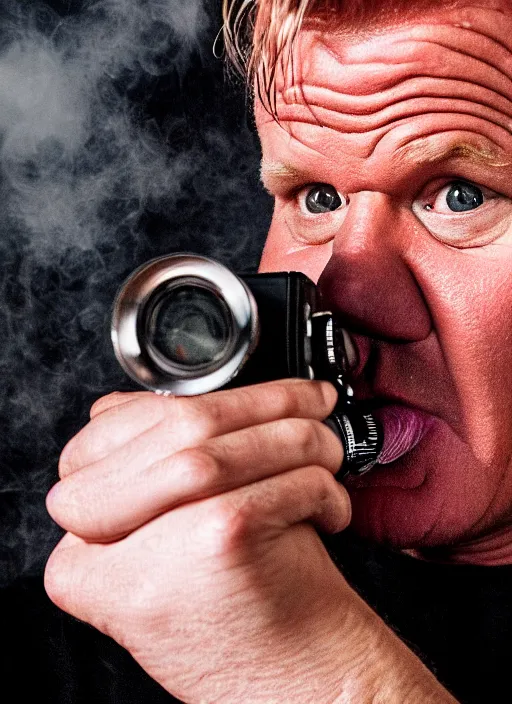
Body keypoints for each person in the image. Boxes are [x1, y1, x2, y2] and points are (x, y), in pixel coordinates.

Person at [41, 0, 512, 701]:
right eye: (317, 197)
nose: (345, 297)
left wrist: (333, 682)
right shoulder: (99, 637)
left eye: (460, 194)